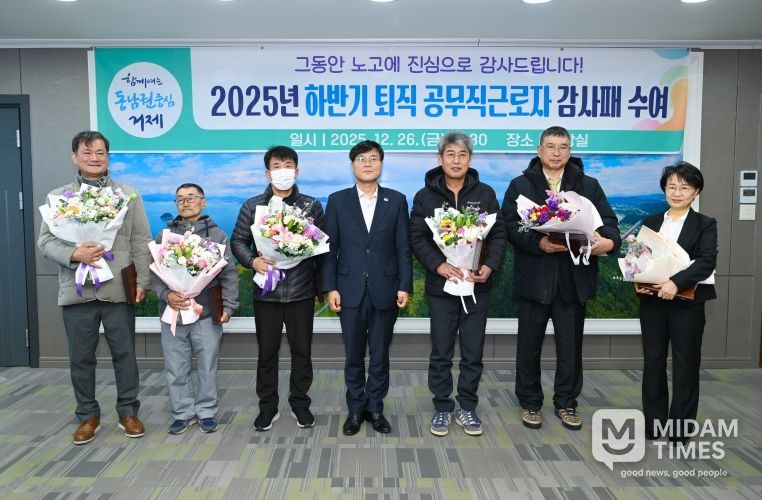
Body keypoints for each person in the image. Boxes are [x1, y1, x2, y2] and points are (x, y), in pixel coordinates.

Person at [502, 125, 620, 431]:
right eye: (551, 147)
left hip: (574, 279)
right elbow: (510, 226)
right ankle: (530, 402)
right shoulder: (520, 185)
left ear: (570, 151)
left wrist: (608, 242)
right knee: (529, 345)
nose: (557, 153)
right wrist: (538, 242)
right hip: (534, 278)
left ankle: (566, 402)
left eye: (563, 147)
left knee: (571, 347)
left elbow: (608, 223)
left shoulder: (588, 185)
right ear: (539, 150)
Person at [38, 131, 152, 445]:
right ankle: (87, 416)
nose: (94, 158)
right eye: (87, 153)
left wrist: (143, 281)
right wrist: (75, 253)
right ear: (75, 157)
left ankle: (128, 412)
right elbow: (45, 240)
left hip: (118, 287)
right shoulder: (59, 197)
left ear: (108, 157)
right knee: (81, 358)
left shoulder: (128, 195)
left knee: (125, 354)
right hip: (77, 290)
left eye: (100, 152)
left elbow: (141, 240)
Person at [410, 131, 507, 437]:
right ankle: (442, 406)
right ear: (440, 159)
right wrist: (439, 265)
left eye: (462, 155)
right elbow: (417, 237)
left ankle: (467, 406)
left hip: (477, 286)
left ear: (470, 159)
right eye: (450, 154)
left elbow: (498, 234)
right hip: (442, 287)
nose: (456, 160)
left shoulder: (485, 194)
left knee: (472, 351)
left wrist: (489, 267)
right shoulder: (424, 196)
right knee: (441, 351)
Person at [322, 140, 413, 436]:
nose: (368, 164)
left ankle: (375, 407)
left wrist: (404, 285)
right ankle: (355, 409)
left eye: (373, 158)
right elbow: (329, 249)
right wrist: (330, 287)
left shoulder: (396, 200)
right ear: (352, 165)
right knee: (353, 356)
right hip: (348, 290)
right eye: (361, 159)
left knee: (380, 354)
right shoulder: (337, 200)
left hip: (386, 288)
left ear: (381, 164)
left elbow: (403, 248)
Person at [231, 146, 324, 431]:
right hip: (267, 292)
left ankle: (300, 404)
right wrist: (253, 261)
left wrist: (321, 286)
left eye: (288, 165)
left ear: (297, 171)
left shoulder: (310, 206)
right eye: (276, 166)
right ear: (267, 172)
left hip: (301, 291)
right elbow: (238, 242)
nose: (283, 171)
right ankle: (267, 407)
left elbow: (320, 247)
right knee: (267, 353)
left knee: (302, 352)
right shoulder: (252, 206)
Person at [635, 162, 717, 443]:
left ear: (696, 191)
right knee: (653, 361)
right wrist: (637, 277)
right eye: (671, 187)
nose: (677, 192)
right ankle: (654, 424)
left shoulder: (705, 224)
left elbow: (706, 261)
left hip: (687, 304)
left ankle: (680, 428)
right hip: (653, 303)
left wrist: (676, 282)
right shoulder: (651, 221)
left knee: (685, 363)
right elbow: (639, 258)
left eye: (684, 187)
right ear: (664, 190)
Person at [151, 183, 239, 435]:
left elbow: (229, 275)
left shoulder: (217, 235)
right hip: (173, 313)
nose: (185, 202)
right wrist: (167, 295)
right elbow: (154, 274)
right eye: (180, 199)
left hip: (206, 313)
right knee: (175, 366)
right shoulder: (165, 236)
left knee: (207, 366)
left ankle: (207, 411)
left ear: (203, 202)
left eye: (191, 197)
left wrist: (229, 306)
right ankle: (182, 413)